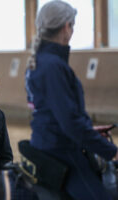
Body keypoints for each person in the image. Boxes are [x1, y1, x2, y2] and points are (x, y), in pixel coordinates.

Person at [25, 1, 118, 199]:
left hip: (47, 140)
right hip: (61, 150)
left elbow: (52, 113)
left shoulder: (41, 62)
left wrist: (89, 130)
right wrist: (111, 151)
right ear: (67, 27)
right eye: (73, 26)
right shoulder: (54, 66)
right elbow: (70, 124)